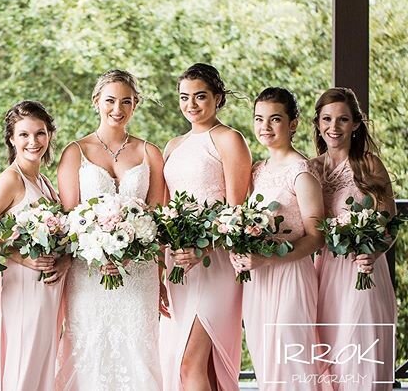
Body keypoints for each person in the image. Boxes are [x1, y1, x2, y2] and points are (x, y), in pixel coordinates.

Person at [55, 69, 166, 391]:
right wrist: (95, 250)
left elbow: (158, 220)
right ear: (96, 102)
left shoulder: (150, 153)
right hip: (88, 270)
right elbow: (67, 219)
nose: (118, 109)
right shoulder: (75, 152)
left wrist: (155, 270)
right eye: (110, 100)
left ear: (136, 105)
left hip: (139, 271)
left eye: (127, 101)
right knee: (89, 348)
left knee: (139, 351)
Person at [230, 87, 329, 390]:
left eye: (275, 119)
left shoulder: (302, 172)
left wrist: (269, 257)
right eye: (259, 119)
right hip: (259, 279)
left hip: (290, 276)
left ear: (293, 123)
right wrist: (240, 247)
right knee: (265, 360)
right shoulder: (258, 170)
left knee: (291, 359)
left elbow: (317, 237)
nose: (265, 127)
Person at [160, 63, 251, 391]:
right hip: (179, 264)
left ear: (218, 97)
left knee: (190, 362)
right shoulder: (173, 145)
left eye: (200, 97)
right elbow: (165, 210)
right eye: (185, 97)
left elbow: (236, 211)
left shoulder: (229, 139)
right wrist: (161, 265)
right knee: (192, 364)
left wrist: (202, 247)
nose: (191, 105)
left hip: (216, 262)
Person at [0, 100, 68, 391]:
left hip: (48, 289)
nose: (33, 141)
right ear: (12, 139)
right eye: (24, 134)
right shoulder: (11, 180)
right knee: (22, 364)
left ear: (49, 135)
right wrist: (20, 257)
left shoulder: (46, 182)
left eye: (40, 133)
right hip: (24, 286)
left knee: (41, 364)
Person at [310, 87, 397, 390]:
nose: (334, 127)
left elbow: (389, 223)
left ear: (356, 124)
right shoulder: (311, 169)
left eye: (343, 119)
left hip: (365, 271)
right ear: (318, 123)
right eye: (327, 119)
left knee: (362, 354)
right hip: (325, 274)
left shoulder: (369, 164)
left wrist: (373, 252)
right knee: (328, 353)